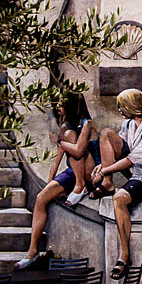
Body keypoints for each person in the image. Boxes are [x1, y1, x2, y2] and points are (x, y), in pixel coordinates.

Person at [89, 89, 142, 281]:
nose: (119, 109)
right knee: (107, 134)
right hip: (137, 172)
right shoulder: (128, 125)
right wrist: (105, 167)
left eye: (121, 105)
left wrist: (103, 171)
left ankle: (124, 255)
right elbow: (119, 150)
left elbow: (129, 161)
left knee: (120, 199)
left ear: (132, 106)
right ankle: (108, 184)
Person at [15, 94, 97, 269]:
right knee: (41, 199)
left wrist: (61, 141)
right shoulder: (66, 128)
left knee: (70, 140)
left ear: (71, 106)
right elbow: (57, 157)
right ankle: (32, 251)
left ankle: (80, 186)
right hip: (72, 173)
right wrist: (49, 183)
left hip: (90, 173)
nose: (58, 108)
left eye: (62, 105)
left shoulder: (86, 124)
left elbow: (78, 151)